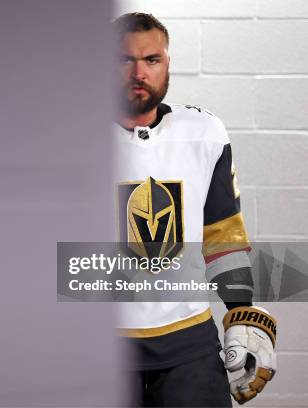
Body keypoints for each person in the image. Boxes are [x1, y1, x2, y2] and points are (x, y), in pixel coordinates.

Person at [112, 13, 277, 407]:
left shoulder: (204, 132)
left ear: (167, 63)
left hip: (189, 345)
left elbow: (222, 234)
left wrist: (242, 314)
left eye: (152, 60)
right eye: (123, 61)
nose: (139, 72)